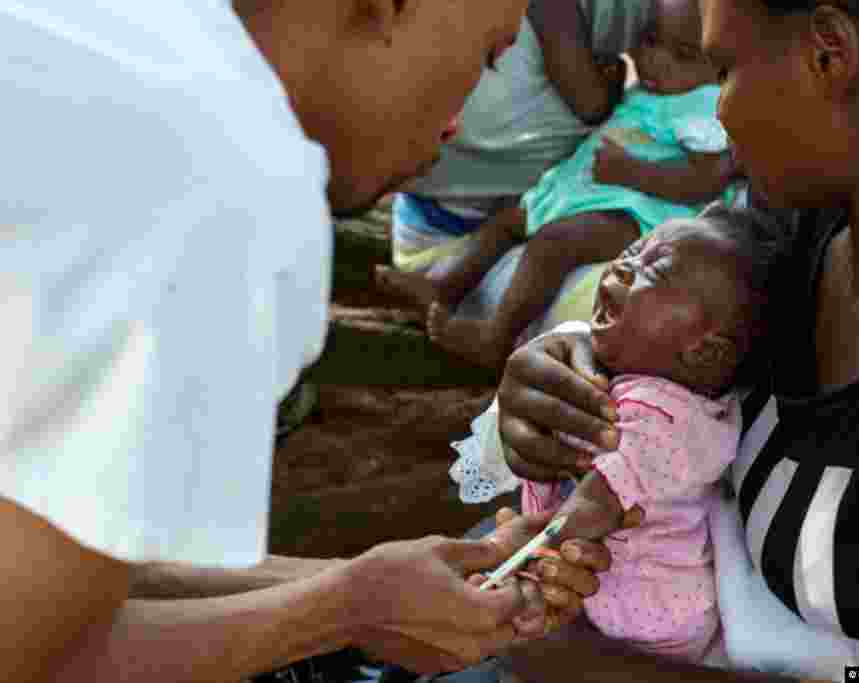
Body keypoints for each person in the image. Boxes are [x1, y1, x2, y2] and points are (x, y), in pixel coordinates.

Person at [0, 1, 617, 680]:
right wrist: (349, 609)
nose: (456, 123)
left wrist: (355, 588)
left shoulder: (101, 38)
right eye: (486, 57)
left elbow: (58, 567)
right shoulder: (223, 172)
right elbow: (31, 657)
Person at [472, 0, 859, 680]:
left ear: (829, 54)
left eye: (723, 68)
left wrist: (564, 656)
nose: (719, 109)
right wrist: (566, 366)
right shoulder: (788, 231)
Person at [447, 206, 785, 668]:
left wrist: (503, 566)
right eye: (632, 251)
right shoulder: (618, 379)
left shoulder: (669, 421)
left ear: (703, 349)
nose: (625, 266)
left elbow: (589, 512)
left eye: (656, 269)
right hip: (600, 590)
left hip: (651, 623)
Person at [378, 0, 739, 369]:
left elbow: (708, 179)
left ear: (720, 67)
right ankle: (444, 287)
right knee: (507, 221)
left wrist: (635, 173)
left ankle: (496, 337)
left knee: (552, 244)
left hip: (636, 210)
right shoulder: (657, 91)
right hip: (586, 192)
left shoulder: (702, 106)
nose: (657, 59)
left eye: (682, 54)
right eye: (649, 40)